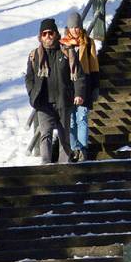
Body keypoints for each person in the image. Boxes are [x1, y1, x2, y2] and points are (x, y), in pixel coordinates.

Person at [26, 18, 85, 163]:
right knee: (45, 134)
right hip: (44, 103)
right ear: (40, 37)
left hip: (63, 101)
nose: (48, 36)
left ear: (56, 34)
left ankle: (64, 165)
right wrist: (33, 94)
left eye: (50, 33)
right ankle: (46, 164)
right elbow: (29, 78)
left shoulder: (66, 52)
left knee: (64, 136)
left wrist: (78, 93)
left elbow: (78, 74)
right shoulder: (35, 56)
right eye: (44, 34)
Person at [61, 11, 100, 162]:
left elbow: (94, 65)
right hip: (69, 86)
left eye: (77, 27)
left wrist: (95, 86)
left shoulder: (88, 42)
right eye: (72, 27)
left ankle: (83, 149)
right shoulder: (63, 44)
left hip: (85, 84)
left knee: (82, 118)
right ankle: (74, 148)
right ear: (68, 28)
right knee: (71, 120)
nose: (75, 30)